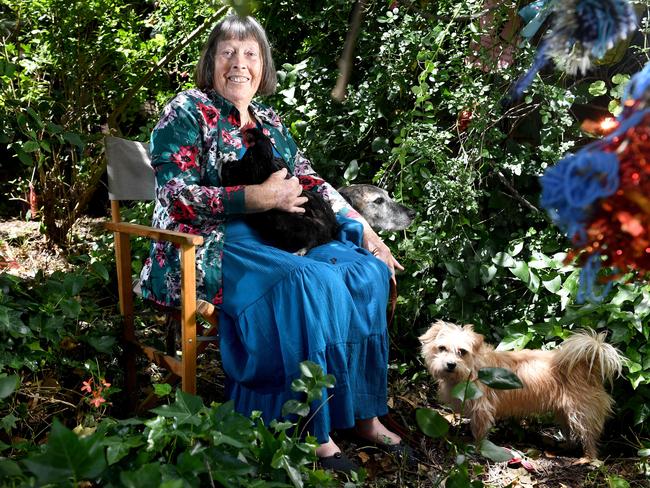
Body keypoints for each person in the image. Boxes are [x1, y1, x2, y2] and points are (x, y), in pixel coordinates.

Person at [139, 14, 410, 472]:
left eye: (250, 53)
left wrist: (365, 230)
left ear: (263, 65)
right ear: (210, 62)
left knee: (365, 271)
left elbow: (312, 181)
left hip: (280, 235)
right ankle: (308, 428)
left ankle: (363, 411)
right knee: (303, 282)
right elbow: (174, 193)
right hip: (209, 241)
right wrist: (258, 196)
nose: (238, 63)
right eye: (228, 52)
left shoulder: (270, 119)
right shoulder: (187, 109)